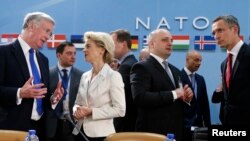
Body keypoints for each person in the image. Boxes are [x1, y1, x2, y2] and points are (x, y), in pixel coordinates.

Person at [0, 12, 63, 141]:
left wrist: (52, 99)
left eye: (50, 34)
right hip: (11, 128)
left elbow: (39, 95)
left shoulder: (43, 60)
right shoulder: (3, 53)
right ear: (31, 26)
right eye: (46, 31)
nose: (48, 37)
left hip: (39, 128)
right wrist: (19, 93)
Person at [130, 28, 193, 141]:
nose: (170, 43)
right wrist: (174, 94)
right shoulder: (141, 67)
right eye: (165, 40)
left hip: (175, 133)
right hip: (152, 134)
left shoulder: (175, 71)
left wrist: (186, 99)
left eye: (171, 40)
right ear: (152, 44)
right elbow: (140, 97)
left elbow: (176, 103)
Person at [72, 31, 126, 141]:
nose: (83, 50)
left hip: (101, 136)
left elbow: (120, 110)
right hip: (79, 133)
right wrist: (76, 110)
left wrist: (91, 111)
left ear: (102, 50)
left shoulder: (113, 76)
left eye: (88, 46)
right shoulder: (85, 76)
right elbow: (77, 103)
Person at [212, 15, 250, 126]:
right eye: (214, 33)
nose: (216, 36)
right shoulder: (224, 64)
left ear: (234, 29)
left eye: (220, 30)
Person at [46, 42, 84, 141]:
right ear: (58, 55)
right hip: (51, 125)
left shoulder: (82, 76)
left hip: (73, 126)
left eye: (75, 53)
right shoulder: (47, 74)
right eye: (69, 53)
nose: (73, 56)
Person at [110, 29, 138, 132]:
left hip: (125, 126)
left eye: (112, 43)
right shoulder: (130, 63)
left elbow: (120, 100)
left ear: (123, 44)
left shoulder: (126, 66)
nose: (109, 47)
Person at [180, 50, 211, 141]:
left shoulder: (201, 79)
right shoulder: (178, 76)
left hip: (199, 126)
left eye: (200, 60)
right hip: (183, 126)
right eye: (196, 60)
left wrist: (208, 125)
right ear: (187, 60)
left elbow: (205, 103)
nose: (199, 63)